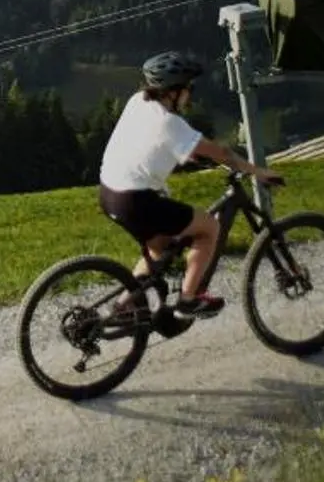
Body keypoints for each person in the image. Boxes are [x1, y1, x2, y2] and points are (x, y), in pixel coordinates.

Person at [99, 50, 283, 317]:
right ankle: (188, 299)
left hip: (109, 194)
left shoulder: (138, 101)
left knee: (159, 248)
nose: (190, 94)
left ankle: (123, 307)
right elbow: (222, 153)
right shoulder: (170, 123)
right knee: (209, 227)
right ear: (173, 91)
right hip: (136, 200)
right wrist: (258, 172)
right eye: (189, 88)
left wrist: (196, 155)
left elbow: (157, 144)